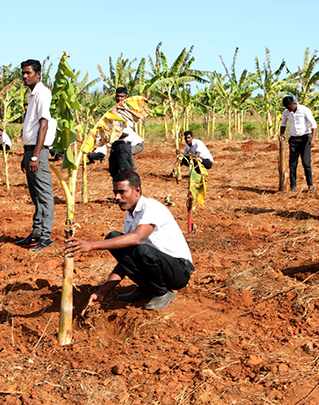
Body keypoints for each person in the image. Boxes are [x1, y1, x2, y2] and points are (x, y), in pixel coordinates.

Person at [69, 171, 194, 311]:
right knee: (114, 237)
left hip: (178, 270)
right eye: (115, 192)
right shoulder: (130, 217)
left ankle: (162, 292)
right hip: (159, 265)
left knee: (141, 249)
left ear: (137, 190)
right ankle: (147, 288)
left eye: (122, 192)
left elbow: (136, 238)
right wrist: (102, 292)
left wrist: (91, 245)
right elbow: (125, 262)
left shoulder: (151, 208)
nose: (117, 197)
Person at [16, 59, 54, 252]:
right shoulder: (32, 95)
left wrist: (35, 156)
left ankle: (46, 236)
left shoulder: (42, 93)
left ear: (38, 74)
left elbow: (44, 124)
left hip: (38, 151)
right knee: (35, 194)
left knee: (44, 194)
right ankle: (37, 232)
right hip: (30, 149)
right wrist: (27, 154)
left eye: (28, 73)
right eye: (23, 73)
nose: (25, 76)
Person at [279, 95, 317, 192]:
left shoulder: (305, 110)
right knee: (292, 164)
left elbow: (313, 124)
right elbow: (283, 123)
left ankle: (310, 185)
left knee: (306, 163)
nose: (288, 109)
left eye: (288, 107)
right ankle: (293, 186)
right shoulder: (286, 113)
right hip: (293, 140)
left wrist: (313, 139)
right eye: (286, 108)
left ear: (293, 104)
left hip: (305, 140)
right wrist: (281, 134)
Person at [108, 87, 136, 178]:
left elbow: (126, 132)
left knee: (125, 171)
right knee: (113, 170)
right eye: (117, 96)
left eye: (122, 96)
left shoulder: (127, 111)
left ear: (126, 97)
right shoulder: (113, 111)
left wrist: (113, 135)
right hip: (115, 145)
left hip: (123, 144)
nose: (119, 98)